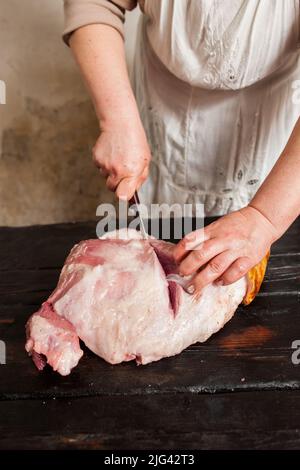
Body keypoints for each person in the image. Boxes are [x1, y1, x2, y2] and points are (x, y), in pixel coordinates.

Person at [63, 0, 300, 295]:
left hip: (280, 172)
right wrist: (116, 120)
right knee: (150, 283)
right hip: (163, 136)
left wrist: (265, 218)